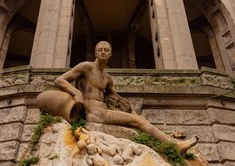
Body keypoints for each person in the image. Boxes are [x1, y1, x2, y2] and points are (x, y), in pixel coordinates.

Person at [54, 41, 198, 152]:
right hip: (92, 113)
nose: (103, 52)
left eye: (106, 50)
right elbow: (59, 80)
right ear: (95, 53)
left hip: (104, 112)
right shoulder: (86, 67)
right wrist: (77, 93)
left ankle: (172, 141)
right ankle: (176, 146)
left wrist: (134, 112)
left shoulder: (107, 78)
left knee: (139, 119)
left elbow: (119, 100)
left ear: (111, 54)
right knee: (137, 121)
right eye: (100, 50)